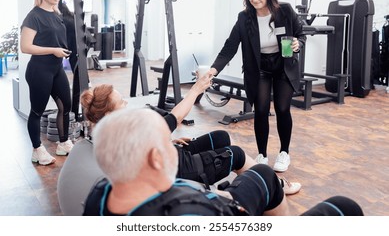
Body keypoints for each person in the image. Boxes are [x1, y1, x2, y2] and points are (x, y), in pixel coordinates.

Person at [58, 78, 300, 215]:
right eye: (122, 102)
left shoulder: (101, 188)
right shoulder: (181, 204)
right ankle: (274, 187)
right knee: (249, 163)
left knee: (222, 136)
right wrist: (196, 90)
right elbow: (173, 118)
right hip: (181, 169)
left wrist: (167, 140)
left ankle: (267, 186)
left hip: (172, 157)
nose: (127, 103)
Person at [83, 108, 363, 216]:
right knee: (344, 207)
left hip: (216, 200)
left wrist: (217, 194)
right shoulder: (190, 214)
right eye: (166, 143)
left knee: (264, 174)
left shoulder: (100, 194)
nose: (173, 147)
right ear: (156, 159)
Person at [208, 0, 307, 172]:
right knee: (260, 110)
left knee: (282, 109)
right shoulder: (245, 18)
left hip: (283, 65)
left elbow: (300, 35)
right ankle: (261, 155)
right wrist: (213, 69)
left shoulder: (285, 11)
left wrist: (298, 44)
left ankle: (284, 153)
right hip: (259, 67)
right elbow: (230, 46)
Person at [20, 0, 73, 166]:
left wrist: (64, 51)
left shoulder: (56, 15)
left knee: (65, 106)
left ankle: (64, 143)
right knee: (37, 111)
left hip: (56, 69)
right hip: (39, 70)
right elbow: (25, 47)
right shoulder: (33, 16)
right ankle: (37, 150)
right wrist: (53, 50)